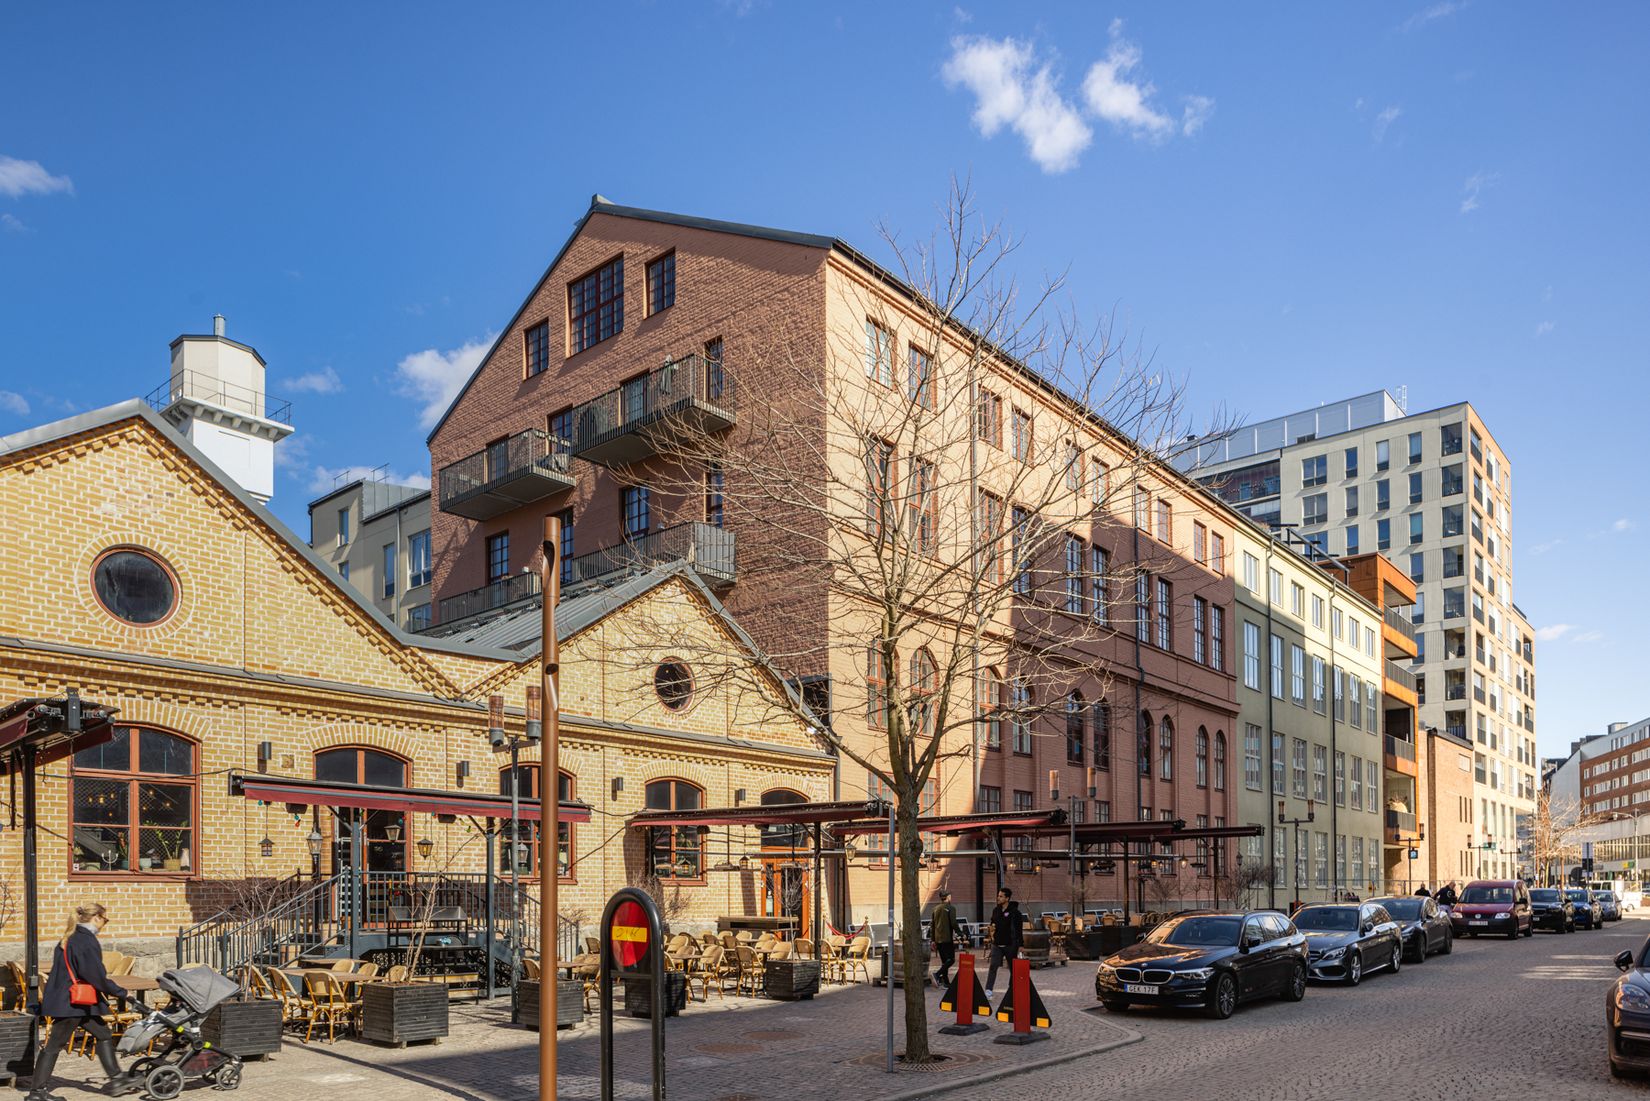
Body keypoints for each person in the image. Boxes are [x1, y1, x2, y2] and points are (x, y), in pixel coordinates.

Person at [28, 903, 134, 1101]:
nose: (105, 924)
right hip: (72, 1003)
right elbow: (97, 976)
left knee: (103, 1033)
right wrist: (121, 993)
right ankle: (37, 1092)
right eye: (105, 920)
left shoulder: (69, 938)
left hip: (75, 1002)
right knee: (53, 1046)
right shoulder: (85, 941)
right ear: (96, 918)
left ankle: (117, 1077)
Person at [983, 887, 1026, 997]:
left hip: (1010, 945)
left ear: (1007, 898)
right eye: (998, 895)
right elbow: (993, 922)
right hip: (997, 944)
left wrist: (1021, 945)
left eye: (1001, 896)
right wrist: (991, 929)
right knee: (993, 966)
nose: (998, 898)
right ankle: (988, 990)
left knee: (1013, 969)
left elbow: (1018, 929)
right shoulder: (996, 910)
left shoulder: (1015, 912)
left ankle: (1011, 989)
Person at [930, 889, 958, 988]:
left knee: (944, 961)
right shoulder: (951, 908)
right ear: (948, 897)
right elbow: (953, 923)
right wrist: (960, 933)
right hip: (947, 939)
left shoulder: (935, 908)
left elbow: (932, 925)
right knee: (951, 960)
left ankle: (946, 983)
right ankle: (937, 974)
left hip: (938, 939)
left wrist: (932, 939)